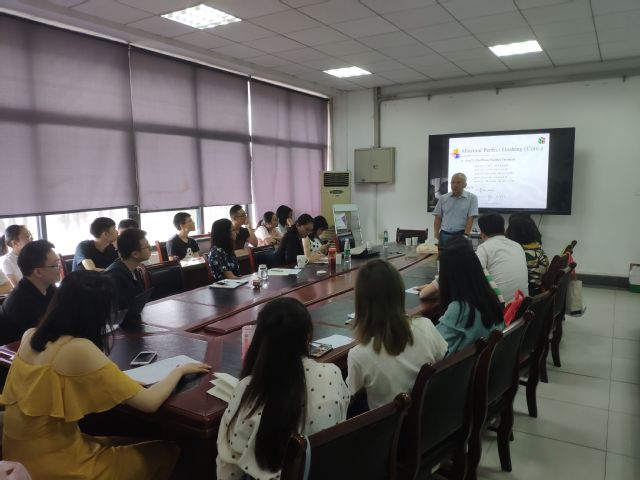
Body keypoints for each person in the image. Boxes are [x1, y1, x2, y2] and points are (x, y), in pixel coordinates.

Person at [0, 270, 210, 480]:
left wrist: (122, 384)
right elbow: (150, 402)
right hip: (56, 466)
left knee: (129, 441)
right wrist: (179, 369)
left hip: (17, 456)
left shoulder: (30, 335)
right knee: (167, 450)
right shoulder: (78, 348)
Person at [216, 297, 349, 479]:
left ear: (260, 340)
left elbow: (229, 463)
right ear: (308, 337)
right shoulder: (332, 374)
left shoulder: (247, 389)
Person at [346, 260, 447, 410]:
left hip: (389, 423)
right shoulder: (425, 326)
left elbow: (348, 396)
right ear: (399, 293)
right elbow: (443, 360)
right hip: (430, 415)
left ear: (360, 302)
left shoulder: (358, 355)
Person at [436, 236, 505, 354]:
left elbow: (435, 349)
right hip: (487, 362)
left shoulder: (460, 309)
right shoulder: (490, 297)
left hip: (462, 365)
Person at [0, 240, 59, 345]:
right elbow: (41, 338)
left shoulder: (49, 287)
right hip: (18, 350)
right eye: (55, 265)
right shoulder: (21, 302)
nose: (60, 268)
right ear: (38, 272)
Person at [476, 213, 529, 303]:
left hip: (501, 307)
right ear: (504, 229)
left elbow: (473, 275)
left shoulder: (484, 248)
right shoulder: (517, 245)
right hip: (523, 304)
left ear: (481, 233)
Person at [105, 229, 149, 312]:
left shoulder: (133, 269)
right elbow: (121, 310)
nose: (150, 248)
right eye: (147, 247)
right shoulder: (115, 276)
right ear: (135, 254)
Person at [506, 214, 549, 296]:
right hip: (538, 288)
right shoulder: (536, 246)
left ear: (514, 232)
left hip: (529, 293)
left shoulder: (521, 252)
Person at [432, 173, 478, 246]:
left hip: (461, 235)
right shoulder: (443, 198)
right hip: (444, 234)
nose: (455, 185)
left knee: (460, 253)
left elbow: (471, 218)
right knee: (443, 253)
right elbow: (438, 217)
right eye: (452, 182)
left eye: (458, 182)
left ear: (465, 185)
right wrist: (436, 232)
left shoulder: (472, 198)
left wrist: (466, 235)